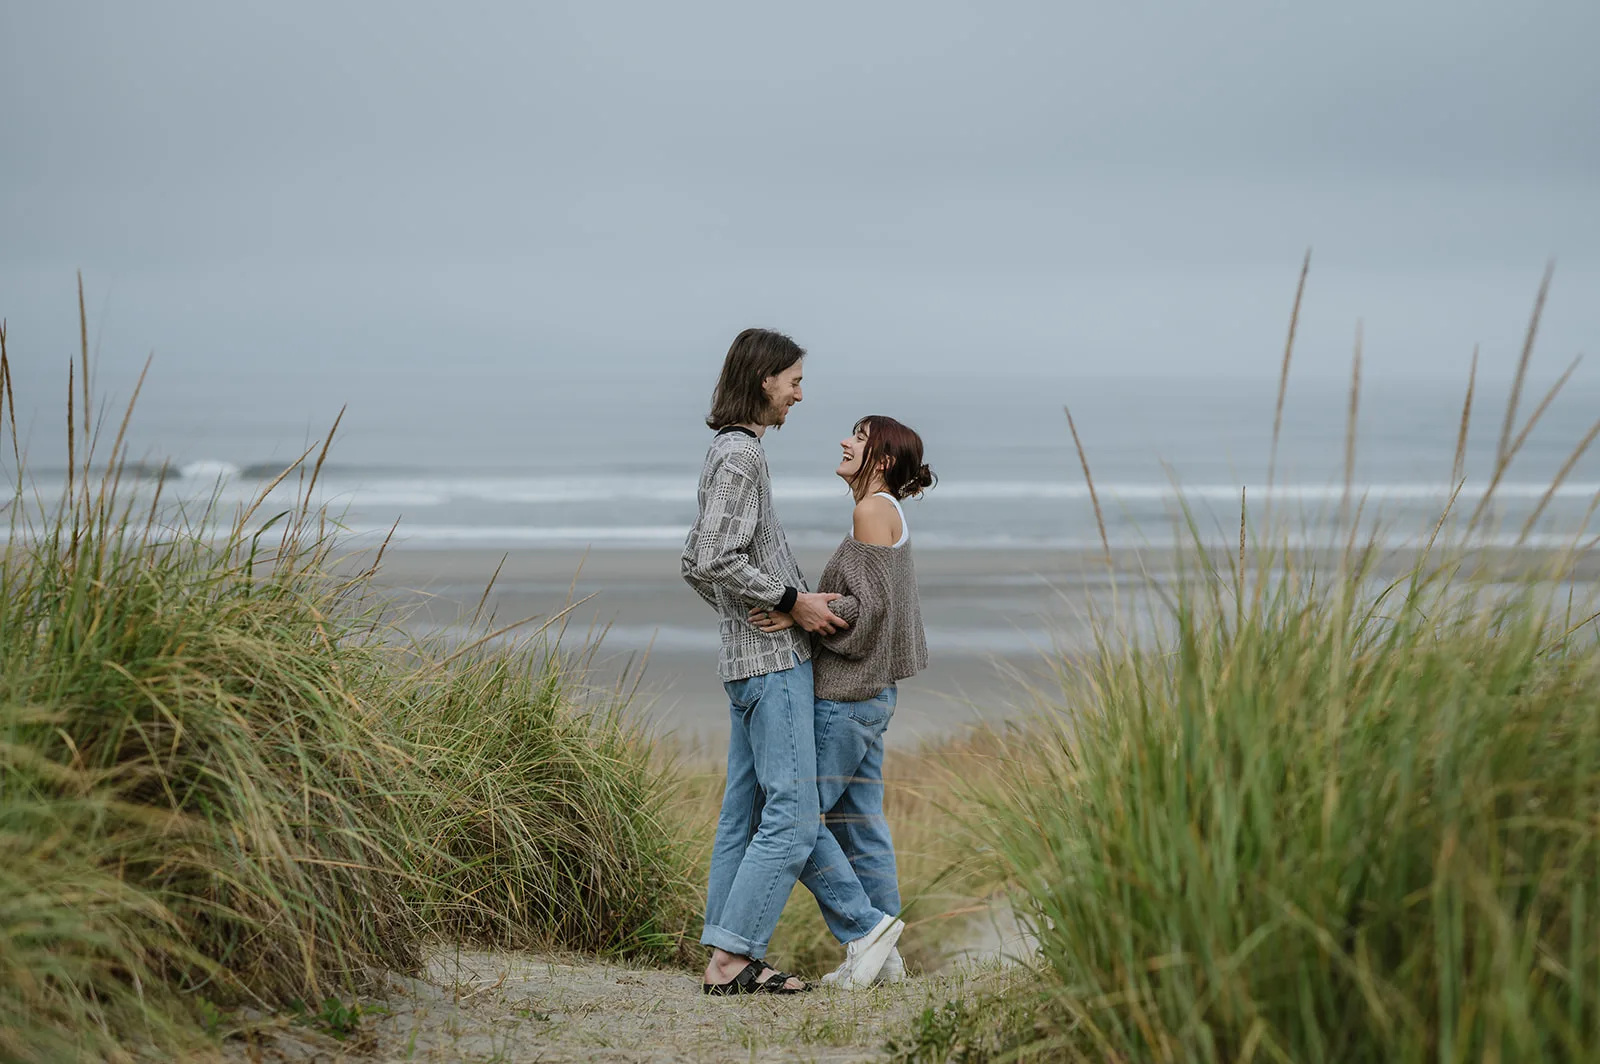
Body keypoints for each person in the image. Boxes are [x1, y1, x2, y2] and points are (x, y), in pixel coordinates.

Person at [682, 327, 848, 995]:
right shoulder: (742, 457)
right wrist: (790, 602)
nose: (800, 396)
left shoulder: (724, 451)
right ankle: (732, 959)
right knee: (794, 816)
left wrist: (740, 613)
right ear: (763, 381)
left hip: (745, 661)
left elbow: (697, 563)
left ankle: (724, 959)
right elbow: (709, 560)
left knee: (742, 814)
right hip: (772, 664)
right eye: (794, 382)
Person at [750, 415, 935, 989]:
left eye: (858, 436)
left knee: (794, 821)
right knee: (861, 825)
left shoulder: (871, 509)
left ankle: (866, 930)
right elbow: (877, 599)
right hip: (875, 696)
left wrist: (796, 611)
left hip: (846, 697)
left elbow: (868, 606)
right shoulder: (889, 512)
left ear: (880, 458)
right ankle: (888, 963)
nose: (844, 441)